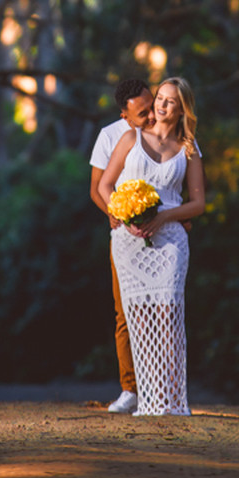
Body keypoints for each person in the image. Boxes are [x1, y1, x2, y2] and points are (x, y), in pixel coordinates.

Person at [98, 76, 205, 416]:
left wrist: (164, 217)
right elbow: (104, 185)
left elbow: (199, 204)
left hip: (171, 240)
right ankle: (148, 397)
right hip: (129, 243)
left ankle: (171, 399)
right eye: (160, 97)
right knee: (138, 321)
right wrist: (123, 216)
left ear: (182, 108)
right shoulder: (130, 138)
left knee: (169, 315)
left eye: (170, 101)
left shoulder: (189, 148)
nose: (161, 105)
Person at [89, 77, 154, 413]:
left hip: (160, 230)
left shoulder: (164, 130)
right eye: (142, 112)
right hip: (125, 238)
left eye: (152, 104)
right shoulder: (110, 136)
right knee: (125, 314)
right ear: (125, 115)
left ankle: (161, 386)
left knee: (159, 310)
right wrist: (115, 214)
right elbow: (97, 188)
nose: (151, 115)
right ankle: (130, 388)